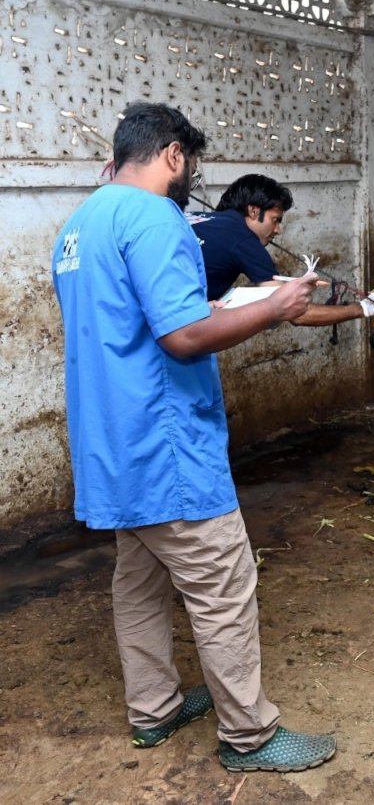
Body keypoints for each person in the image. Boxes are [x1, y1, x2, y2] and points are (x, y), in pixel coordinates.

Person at [51, 102, 336, 774]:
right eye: (191, 166)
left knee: (140, 581)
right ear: (174, 155)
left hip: (114, 446)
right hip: (167, 446)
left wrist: (223, 307)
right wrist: (275, 306)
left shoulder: (79, 225)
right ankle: (250, 735)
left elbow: (139, 317)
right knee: (223, 581)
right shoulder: (155, 216)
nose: (190, 181)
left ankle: (154, 711)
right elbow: (179, 338)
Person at [189, 173, 374, 324]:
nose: (277, 230)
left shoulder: (196, 217)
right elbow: (295, 313)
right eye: (275, 220)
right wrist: (362, 308)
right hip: (178, 332)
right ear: (253, 211)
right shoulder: (244, 240)